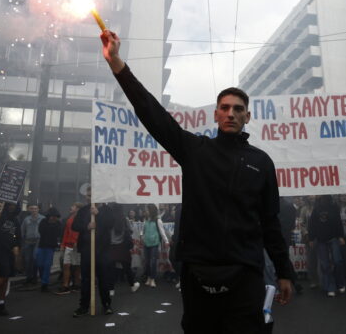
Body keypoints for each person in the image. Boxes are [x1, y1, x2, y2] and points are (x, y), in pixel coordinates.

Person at [101, 29, 292, 333]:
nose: (231, 113)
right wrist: (116, 64)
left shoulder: (261, 162)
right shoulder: (195, 150)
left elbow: (271, 223)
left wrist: (284, 272)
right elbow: (152, 113)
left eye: (238, 109)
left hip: (246, 274)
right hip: (198, 273)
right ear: (216, 114)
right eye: (225, 108)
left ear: (248, 116)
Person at [71, 186, 115, 317]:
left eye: (90, 196)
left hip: (103, 250)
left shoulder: (107, 210)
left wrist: (98, 215)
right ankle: (83, 306)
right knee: (86, 279)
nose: (87, 197)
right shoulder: (84, 210)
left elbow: (111, 224)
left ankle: (106, 304)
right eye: (87, 195)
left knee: (103, 279)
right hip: (86, 249)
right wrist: (86, 226)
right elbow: (75, 225)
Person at [308, 195, 346, 297]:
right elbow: (312, 224)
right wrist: (311, 238)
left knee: (337, 261)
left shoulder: (334, 207)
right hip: (321, 240)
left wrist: (341, 236)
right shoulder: (317, 208)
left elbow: (339, 222)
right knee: (325, 265)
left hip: (333, 238)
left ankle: (340, 283)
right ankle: (330, 287)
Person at [108, 203, 139, 293]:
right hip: (123, 248)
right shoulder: (125, 219)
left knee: (111, 270)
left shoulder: (110, 220)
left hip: (112, 247)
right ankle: (132, 286)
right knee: (127, 268)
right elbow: (131, 231)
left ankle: (111, 290)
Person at [56, 202, 83, 295]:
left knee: (77, 266)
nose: (71, 207)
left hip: (77, 246)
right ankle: (65, 285)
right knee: (66, 265)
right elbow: (66, 233)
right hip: (68, 245)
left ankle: (76, 284)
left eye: (73, 206)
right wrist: (63, 244)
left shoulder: (82, 219)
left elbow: (82, 232)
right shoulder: (69, 219)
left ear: (78, 209)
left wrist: (78, 241)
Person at [141, 204, 169, 288]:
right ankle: (149, 277)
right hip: (146, 243)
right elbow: (143, 230)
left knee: (153, 262)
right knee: (147, 262)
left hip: (154, 244)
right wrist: (141, 235)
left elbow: (162, 232)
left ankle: (152, 279)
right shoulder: (145, 219)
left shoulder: (158, 220)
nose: (146, 211)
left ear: (151, 210)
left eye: (147, 209)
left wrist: (166, 241)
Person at [36, 207, 62, 292]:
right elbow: (41, 231)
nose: (53, 217)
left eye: (54, 216)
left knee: (47, 265)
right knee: (40, 264)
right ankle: (43, 279)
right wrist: (50, 225)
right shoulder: (43, 222)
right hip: (41, 246)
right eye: (51, 216)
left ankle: (44, 283)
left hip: (51, 247)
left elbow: (58, 233)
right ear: (48, 216)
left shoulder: (58, 224)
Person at [20, 204, 44, 285]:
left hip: (38, 241)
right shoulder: (26, 219)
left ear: (38, 209)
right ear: (30, 210)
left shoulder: (42, 218)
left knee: (35, 259)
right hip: (28, 241)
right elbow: (22, 230)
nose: (34, 210)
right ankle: (28, 277)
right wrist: (22, 241)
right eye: (32, 208)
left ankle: (35, 277)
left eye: (35, 208)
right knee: (27, 260)